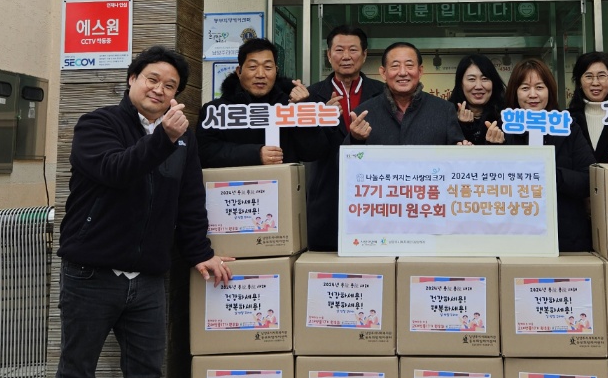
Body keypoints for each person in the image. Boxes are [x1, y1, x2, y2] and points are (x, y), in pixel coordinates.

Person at [47, 45, 234, 378]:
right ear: (132, 79)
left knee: (145, 375)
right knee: (75, 376)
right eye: (153, 79)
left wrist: (200, 251)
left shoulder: (182, 138)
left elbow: (189, 200)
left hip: (147, 277)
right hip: (91, 274)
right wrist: (163, 140)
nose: (160, 90)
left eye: (171, 86)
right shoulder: (98, 124)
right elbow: (115, 170)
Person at [297, 25, 385, 252]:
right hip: (326, 195)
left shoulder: (384, 94)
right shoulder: (310, 96)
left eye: (353, 50)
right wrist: (323, 119)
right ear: (328, 55)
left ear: (364, 54)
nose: (346, 56)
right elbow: (307, 150)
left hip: (374, 194)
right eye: (339, 50)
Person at [501, 58, 595, 252]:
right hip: (515, 234)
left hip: (566, 236)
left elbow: (589, 179)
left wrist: (551, 174)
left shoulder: (569, 128)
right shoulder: (502, 130)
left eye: (539, 87)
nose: (533, 94)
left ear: (550, 90)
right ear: (515, 92)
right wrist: (492, 146)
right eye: (525, 88)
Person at [198, 37, 332, 168]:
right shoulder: (216, 111)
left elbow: (313, 153)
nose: (261, 74)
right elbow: (205, 153)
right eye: (252, 67)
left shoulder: (289, 106)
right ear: (239, 71)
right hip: (235, 183)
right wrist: (255, 154)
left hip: (283, 182)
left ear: (276, 71)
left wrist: (303, 108)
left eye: (268, 67)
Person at [346, 43, 466, 146]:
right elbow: (343, 161)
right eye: (395, 66)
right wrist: (355, 139)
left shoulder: (444, 110)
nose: (403, 72)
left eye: (409, 65)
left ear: (420, 71)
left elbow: (458, 157)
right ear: (383, 72)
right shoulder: (364, 113)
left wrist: (464, 149)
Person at [568, 51, 608, 163]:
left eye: (601, 76)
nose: (595, 83)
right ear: (579, 82)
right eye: (588, 76)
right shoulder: (567, 119)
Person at [450, 54, 507, 145]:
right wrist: (462, 126)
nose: (478, 86)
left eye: (485, 79)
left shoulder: (506, 117)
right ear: (460, 83)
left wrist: (497, 145)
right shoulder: (447, 116)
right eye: (471, 79)